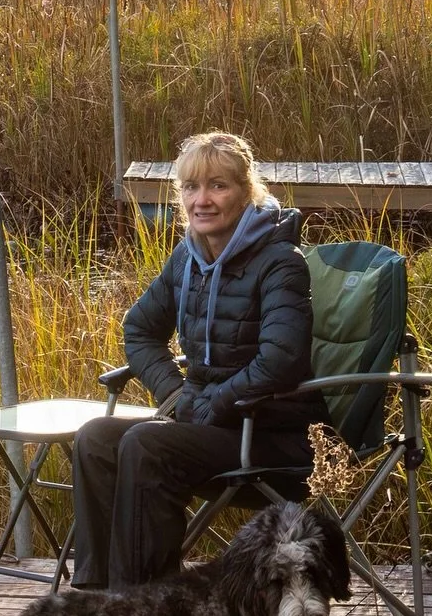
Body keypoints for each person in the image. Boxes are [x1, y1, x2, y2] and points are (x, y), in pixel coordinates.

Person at [70, 130, 324, 589]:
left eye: (217, 186)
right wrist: (174, 390)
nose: (201, 200)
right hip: (211, 431)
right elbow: (140, 330)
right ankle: (95, 597)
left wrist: (217, 401)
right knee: (96, 439)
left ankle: (142, 604)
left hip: (273, 437)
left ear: (247, 192)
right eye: (191, 187)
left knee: (148, 445)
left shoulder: (281, 262)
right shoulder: (186, 260)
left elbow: (282, 359)